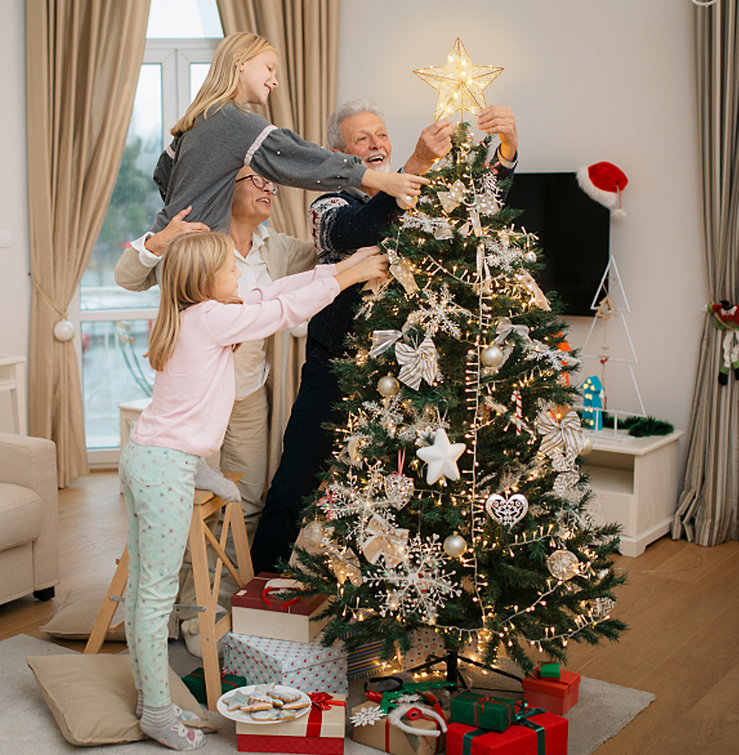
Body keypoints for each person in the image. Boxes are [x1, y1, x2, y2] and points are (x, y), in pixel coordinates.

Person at [120, 231, 386, 750]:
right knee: (150, 598)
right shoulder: (213, 319)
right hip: (163, 467)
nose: (240, 276)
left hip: (152, 452)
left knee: (140, 594)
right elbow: (281, 312)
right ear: (205, 282)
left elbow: (272, 293)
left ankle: (150, 697)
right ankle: (155, 710)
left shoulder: (194, 312)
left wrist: (336, 269)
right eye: (231, 270)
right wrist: (347, 277)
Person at [251, 99, 519, 574]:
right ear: (339, 154)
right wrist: (415, 163)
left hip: (402, 373)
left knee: (396, 485)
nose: (376, 146)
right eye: (362, 139)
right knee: (298, 479)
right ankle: (262, 584)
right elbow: (358, 229)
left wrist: (508, 149)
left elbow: (482, 207)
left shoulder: (413, 191)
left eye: (381, 136)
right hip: (336, 369)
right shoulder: (328, 205)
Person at [116, 166, 316, 541]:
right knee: (192, 505)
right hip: (197, 404)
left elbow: (324, 263)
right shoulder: (197, 244)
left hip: (249, 395)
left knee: (248, 498)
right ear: (228, 186)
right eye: (256, 180)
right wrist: (160, 240)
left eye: (271, 181)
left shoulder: (279, 247)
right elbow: (127, 278)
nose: (268, 188)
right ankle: (193, 595)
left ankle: (229, 595)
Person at [151, 32, 427, 238]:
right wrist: (384, 181)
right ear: (240, 62)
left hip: (176, 248)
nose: (275, 81)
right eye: (269, 68)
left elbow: (163, 173)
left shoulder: (198, 120)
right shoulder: (232, 120)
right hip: (199, 252)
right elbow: (299, 157)